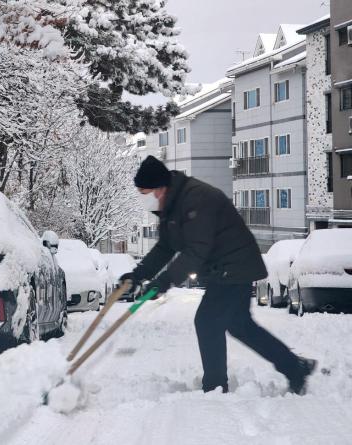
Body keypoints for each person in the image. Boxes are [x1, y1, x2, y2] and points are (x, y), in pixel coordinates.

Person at [121, 155, 316, 394]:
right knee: (240, 326)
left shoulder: (195, 199)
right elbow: (165, 247)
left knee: (207, 321)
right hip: (225, 268)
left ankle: (215, 387)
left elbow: (195, 251)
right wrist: (137, 275)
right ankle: (295, 367)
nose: (144, 199)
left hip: (233, 266)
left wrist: (162, 282)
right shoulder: (172, 205)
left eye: (145, 193)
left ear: (160, 188)